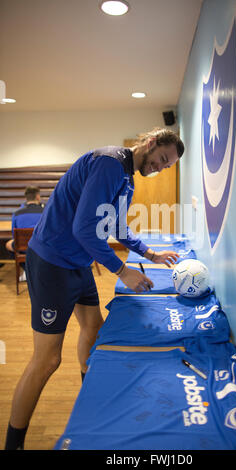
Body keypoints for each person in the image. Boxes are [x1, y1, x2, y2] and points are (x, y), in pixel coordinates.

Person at [4, 127, 185, 450]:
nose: (159, 168)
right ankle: (13, 442)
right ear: (152, 141)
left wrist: (151, 253)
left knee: (93, 329)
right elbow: (85, 228)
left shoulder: (127, 179)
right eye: (161, 160)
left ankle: (91, 403)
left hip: (78, 263)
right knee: (47, 361)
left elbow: (114, 226)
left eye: (166, 167)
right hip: (52, 264)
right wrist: (122, 270)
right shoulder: (110, 163)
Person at [5, 186, 45, 281]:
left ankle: (26, 269)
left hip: (23, 247)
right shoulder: (45, 211)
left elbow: (14, 235)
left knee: (8, 244)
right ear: (38, 197)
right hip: (41, 248)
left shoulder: (16, 213)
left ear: (26, 198)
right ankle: (40, 270)